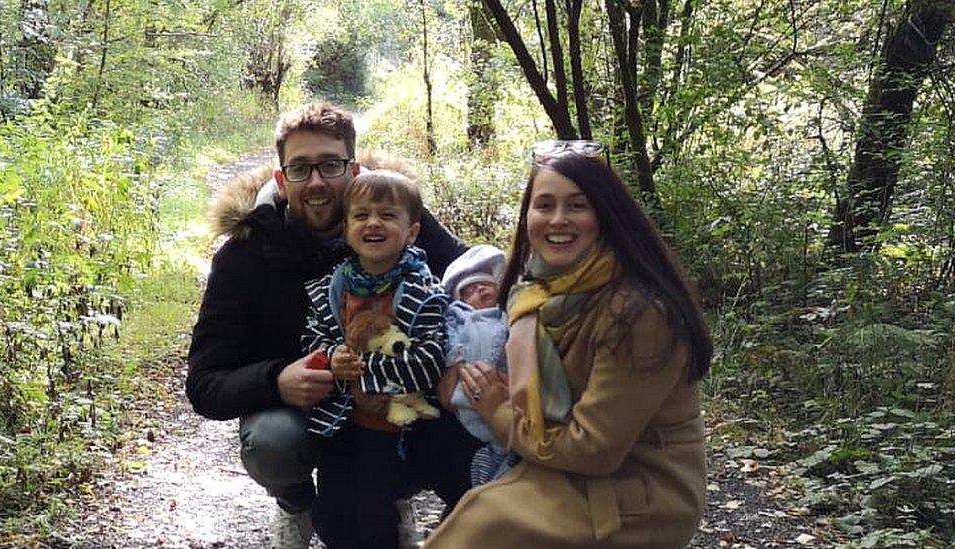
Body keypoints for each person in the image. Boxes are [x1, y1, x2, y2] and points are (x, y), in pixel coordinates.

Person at [185, 102, 474, 548]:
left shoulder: (391, 218)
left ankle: (398, 494)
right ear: (281, 179)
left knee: (466, 435)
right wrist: (276, 379)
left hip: (398, 396)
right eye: (300, 168)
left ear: (353, 170)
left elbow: (473, 276)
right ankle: (295, 502)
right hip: (305, 409)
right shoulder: (243, 255)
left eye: (330, 165)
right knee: (272, 442)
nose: (317, 182)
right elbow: (204, 383)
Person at [424, 141, 712, 548]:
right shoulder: (535, 291)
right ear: (527, 216)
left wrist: (497, 410)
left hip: (635, 490)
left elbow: (593, 449)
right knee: (435, 449)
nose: (558, 220)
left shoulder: (639, 312)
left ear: (607, 216)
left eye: (578, 206)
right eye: (544, 205)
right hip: (561, 462)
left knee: (478, 532)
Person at [299, 169, 448, 548]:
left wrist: (358, 374)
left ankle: (394, 526)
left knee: (372, 515)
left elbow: (431, 358)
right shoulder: (337, 284)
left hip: (397, 428)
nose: (373, 223)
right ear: (346, 227)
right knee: (330, 516)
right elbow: (313, 335)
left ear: (412, 231)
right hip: (343, 421)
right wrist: (332, 358)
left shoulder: (422, 288)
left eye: (387, 215)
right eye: (362, 215)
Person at [438, 244, 517, 486]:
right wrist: (454, 358)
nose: (479, 288)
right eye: (469, 290)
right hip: (466, 392)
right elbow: (448, 339)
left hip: (507, 390)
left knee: (507, 441)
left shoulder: (508, 314)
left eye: (484, 284)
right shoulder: (458, 317)